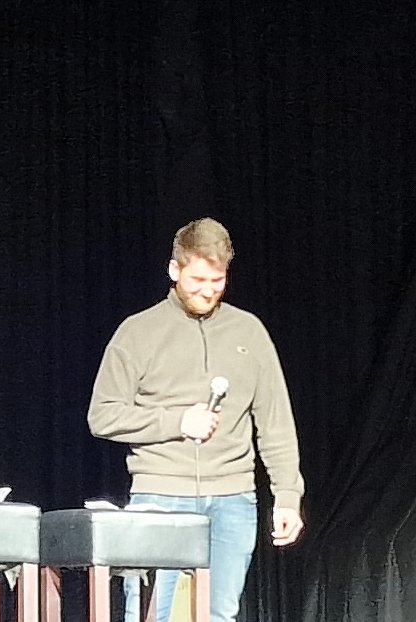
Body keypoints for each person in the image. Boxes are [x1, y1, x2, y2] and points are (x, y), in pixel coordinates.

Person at [87, 217, 305, 622]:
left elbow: (275, 422)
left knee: (219, 614)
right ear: (174, 270)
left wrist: (288, 496)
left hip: (234, 498)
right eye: (198, 280)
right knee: (149, 613)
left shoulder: (249, 332)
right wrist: (178, 422)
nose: (208, 291)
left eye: (217, 281)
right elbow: (102, 415)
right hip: (160, 495)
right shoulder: (137, 332)